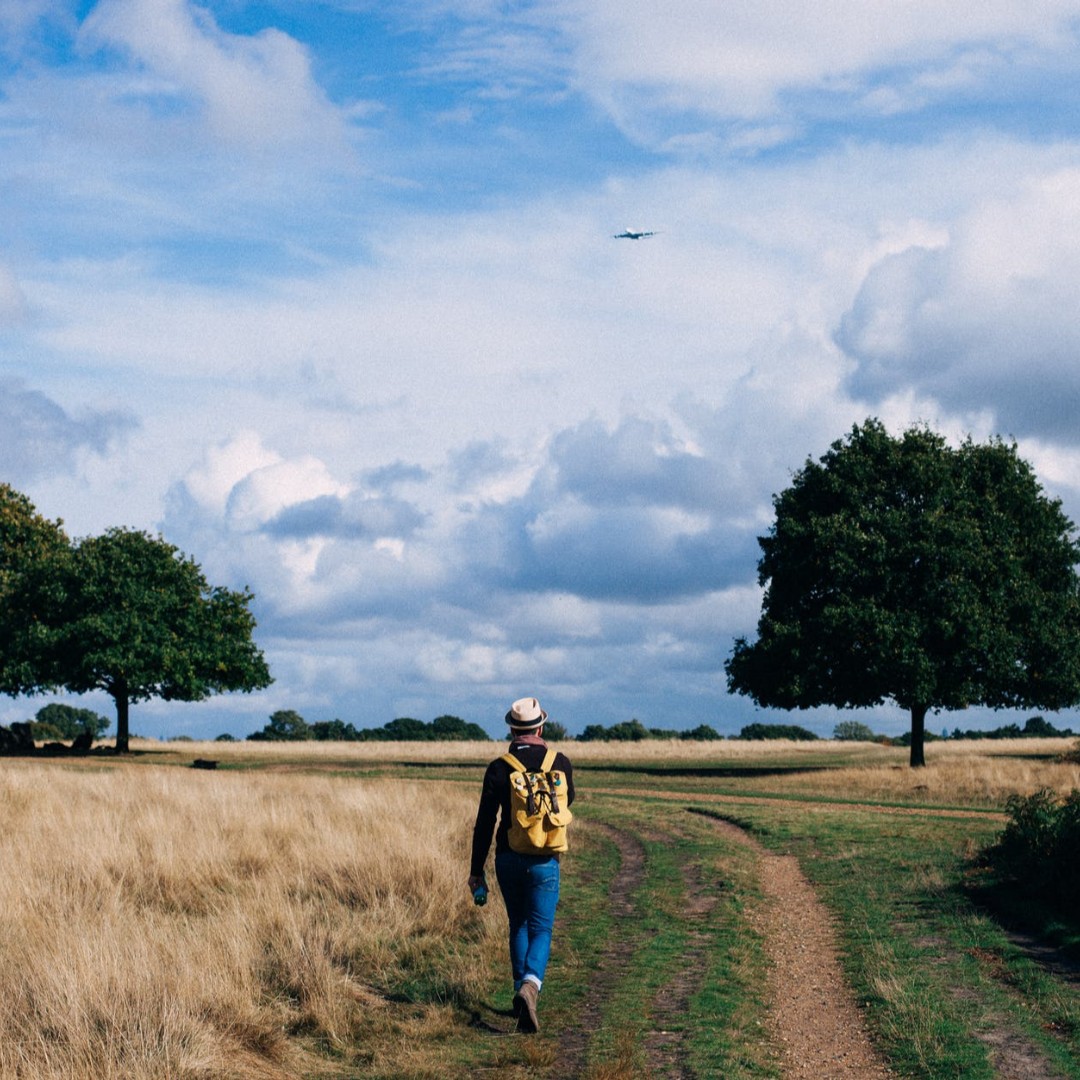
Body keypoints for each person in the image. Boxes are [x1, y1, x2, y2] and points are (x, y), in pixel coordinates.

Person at [469, 696, 574, 1034]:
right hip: (545, 858)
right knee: (542, 928)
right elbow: (566, 801)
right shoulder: (561, 763)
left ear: (512, 729)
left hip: (508, 857)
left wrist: (475, 870)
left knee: (519, 924)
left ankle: (520, 992)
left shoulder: (499, 767)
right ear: (541, 726)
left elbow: (485, 823)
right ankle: (530, 987)